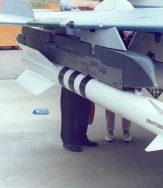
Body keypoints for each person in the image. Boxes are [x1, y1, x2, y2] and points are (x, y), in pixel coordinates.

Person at [60, 0, 99, 152]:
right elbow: (64, 4)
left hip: (87, 60)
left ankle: (81, 136)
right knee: (70, 103)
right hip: (70, 59)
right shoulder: (69, 7)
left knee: (84, 102)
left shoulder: (91, 12)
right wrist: (90, 4)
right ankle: (68, 139)